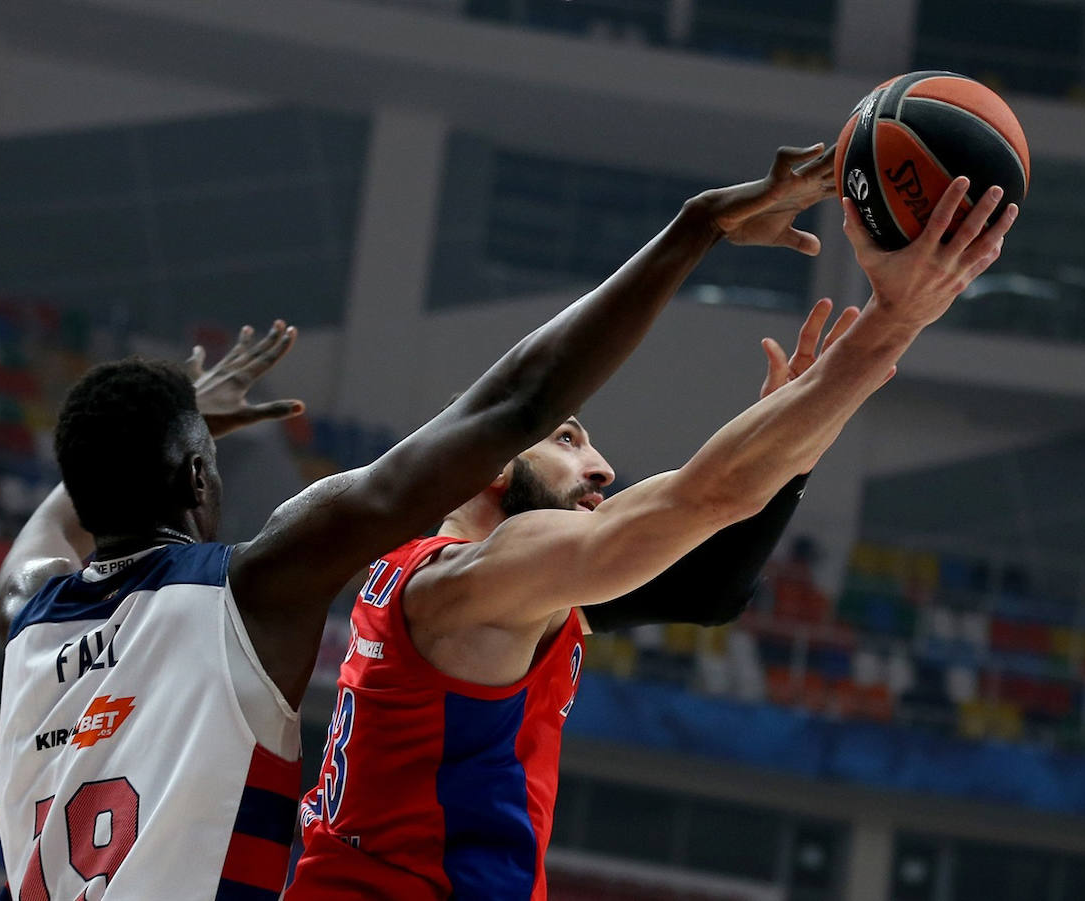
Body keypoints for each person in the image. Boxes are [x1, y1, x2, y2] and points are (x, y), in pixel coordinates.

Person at [0, 144, 838, 901]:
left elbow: (46, 535)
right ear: (199, 474)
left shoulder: (26, 615)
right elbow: (517, 403)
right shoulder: (250, 592)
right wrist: (697, 227)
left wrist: (162, 433)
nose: (601, 466)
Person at [288, 179, 1017, 900]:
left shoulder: (495, 595)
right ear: (492, 465)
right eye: (568, 438)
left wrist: (799, 430)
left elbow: (708, 586)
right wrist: (898, 316)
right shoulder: (478, 581)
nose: (600, 466)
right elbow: (705, 494)